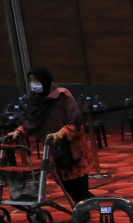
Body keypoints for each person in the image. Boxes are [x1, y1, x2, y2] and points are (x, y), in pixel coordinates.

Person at [4, 68, 96, 205]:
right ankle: (88, 204)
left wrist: (62, 132)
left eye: (36, 81)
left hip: (73, 149)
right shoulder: (36, 100)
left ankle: (84, 211)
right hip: (53, 148)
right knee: (65, 184)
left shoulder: (63, 96)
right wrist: (19, 132)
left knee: (78, 184)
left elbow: (76, 120)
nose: (34, 84)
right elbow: (33, 121)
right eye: (31, 81)